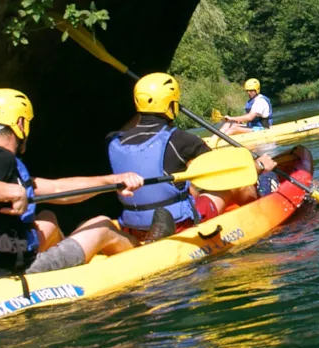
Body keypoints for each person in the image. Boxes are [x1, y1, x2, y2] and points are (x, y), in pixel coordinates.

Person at [0, 88, 145, 279]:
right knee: (103, 226)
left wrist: (112, 180)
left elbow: (58, 189)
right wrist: (13, 191)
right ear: (20, 124)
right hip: (13, 270)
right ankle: (145, 250)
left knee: (48, 219)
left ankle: (66, 263)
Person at [107, 73, 277, 242]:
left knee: (185, 185)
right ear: (170, 103)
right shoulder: (181, 140)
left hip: (133, 226)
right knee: (236, 185)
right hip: (179, 223)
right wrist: (259, 167)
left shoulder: (113, 141)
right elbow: (225, 171)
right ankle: (260, 214)